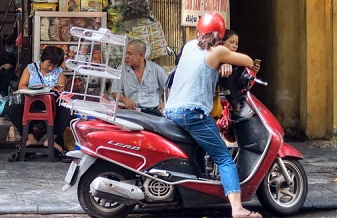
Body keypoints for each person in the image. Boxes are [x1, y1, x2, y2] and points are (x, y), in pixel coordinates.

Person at [164, 12, 261, 218]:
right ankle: (237, 208)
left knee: (198, 148)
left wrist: (224, 61)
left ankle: (200, 187)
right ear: (221, 34)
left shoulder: (190, 46)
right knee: (224, 158)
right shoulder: (217, 51)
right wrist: (225, 57)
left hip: (172, 110)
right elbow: (247, 60)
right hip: (192, 112)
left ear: (199, 30)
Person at [5, 45, 71, 161]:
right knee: (11, 109)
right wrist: (36, 88)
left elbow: (61, 90)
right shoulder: (30, 68)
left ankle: (51, 140)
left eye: (53, 66)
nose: (50, 68)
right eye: (48, 64)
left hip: (52, 106)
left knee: (68, 111)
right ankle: (30, 138)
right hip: (32, 105)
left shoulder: (59, 72)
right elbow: (21, 86)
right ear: (42, 59)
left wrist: (55, 89)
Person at [112, 39, 167, 115]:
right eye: (125, 53)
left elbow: (171, 89)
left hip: (153, 111)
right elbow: (115, 92)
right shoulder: (121, 69)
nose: (126, 56)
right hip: (131, 111)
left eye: (130, 54)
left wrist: (165, 103)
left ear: (141, 55)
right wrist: (125, 100)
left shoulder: (156, 69)